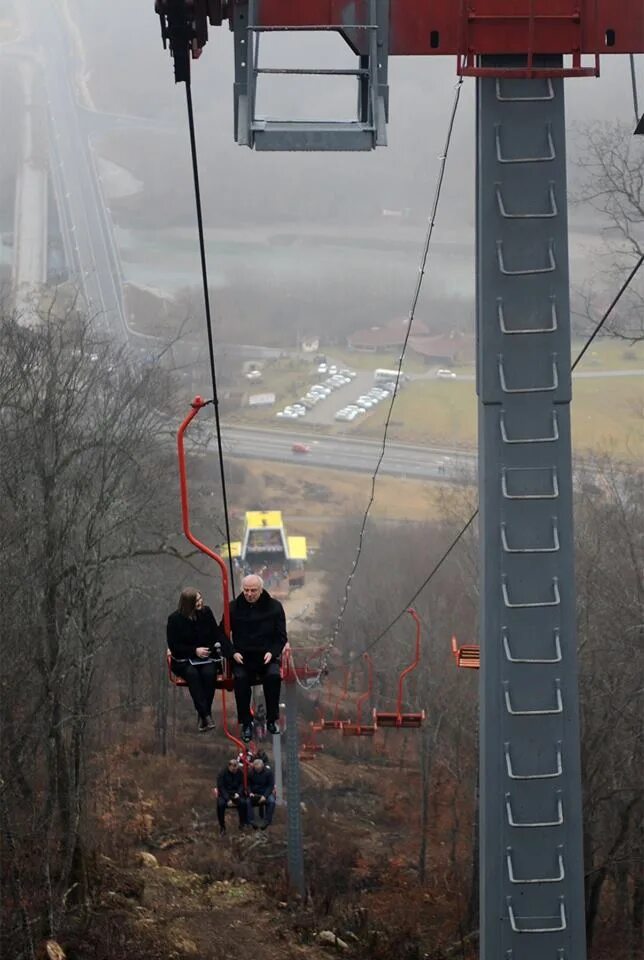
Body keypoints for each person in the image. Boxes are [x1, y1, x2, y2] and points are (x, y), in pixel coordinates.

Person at [222, 574, 287, 742]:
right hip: (242, 657)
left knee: (273, 676)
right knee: (241, 680)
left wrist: (272, 652)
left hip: (266, 656)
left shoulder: (274, 607)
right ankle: (246, 723)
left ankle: (272, 718)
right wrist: (232, 653)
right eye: (246, 591)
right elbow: (221, 635)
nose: (249, 594)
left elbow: (281, 637)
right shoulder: (233, 608)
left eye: (253, 591)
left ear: (261, 589)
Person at [167, 587, 225, 731]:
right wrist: (194, 650)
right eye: (196, 601)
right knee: (193, 675)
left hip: (206, 656)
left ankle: (204, 715)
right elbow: (174, 646)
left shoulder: (206, 613)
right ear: (188, 603)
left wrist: (209, 649)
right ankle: (206, 715)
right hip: (184, 659)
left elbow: (214, 634)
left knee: (209, 673)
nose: (200, 603)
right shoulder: (175, 620)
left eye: (200, 599)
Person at [216, 758, 247, 835]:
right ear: (229, 766)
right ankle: (222, 827)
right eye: (233, 769)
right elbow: (221, 787)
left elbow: (242, 784)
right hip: (225, 794)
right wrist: (227, 799)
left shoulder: (240, 773)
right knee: (220, 805)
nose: (235, 771)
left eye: (236, 769)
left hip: (236, 793)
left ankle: (242, 824)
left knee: (243, 803)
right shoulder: (222, 773)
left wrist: (239, 793)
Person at [245, 757, 275, 830]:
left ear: (262, 766)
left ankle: (267, 821)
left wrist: (265, 796)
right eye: (256, 769)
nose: (257, 770)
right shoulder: (250, 773)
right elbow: (248, 785)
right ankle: (251, 821)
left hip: (265, 792)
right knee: (247, 802)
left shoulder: (269, 773)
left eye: (259, 769)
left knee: (271, 802)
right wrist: (250, 793)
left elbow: (270, 786)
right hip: (255, 792)